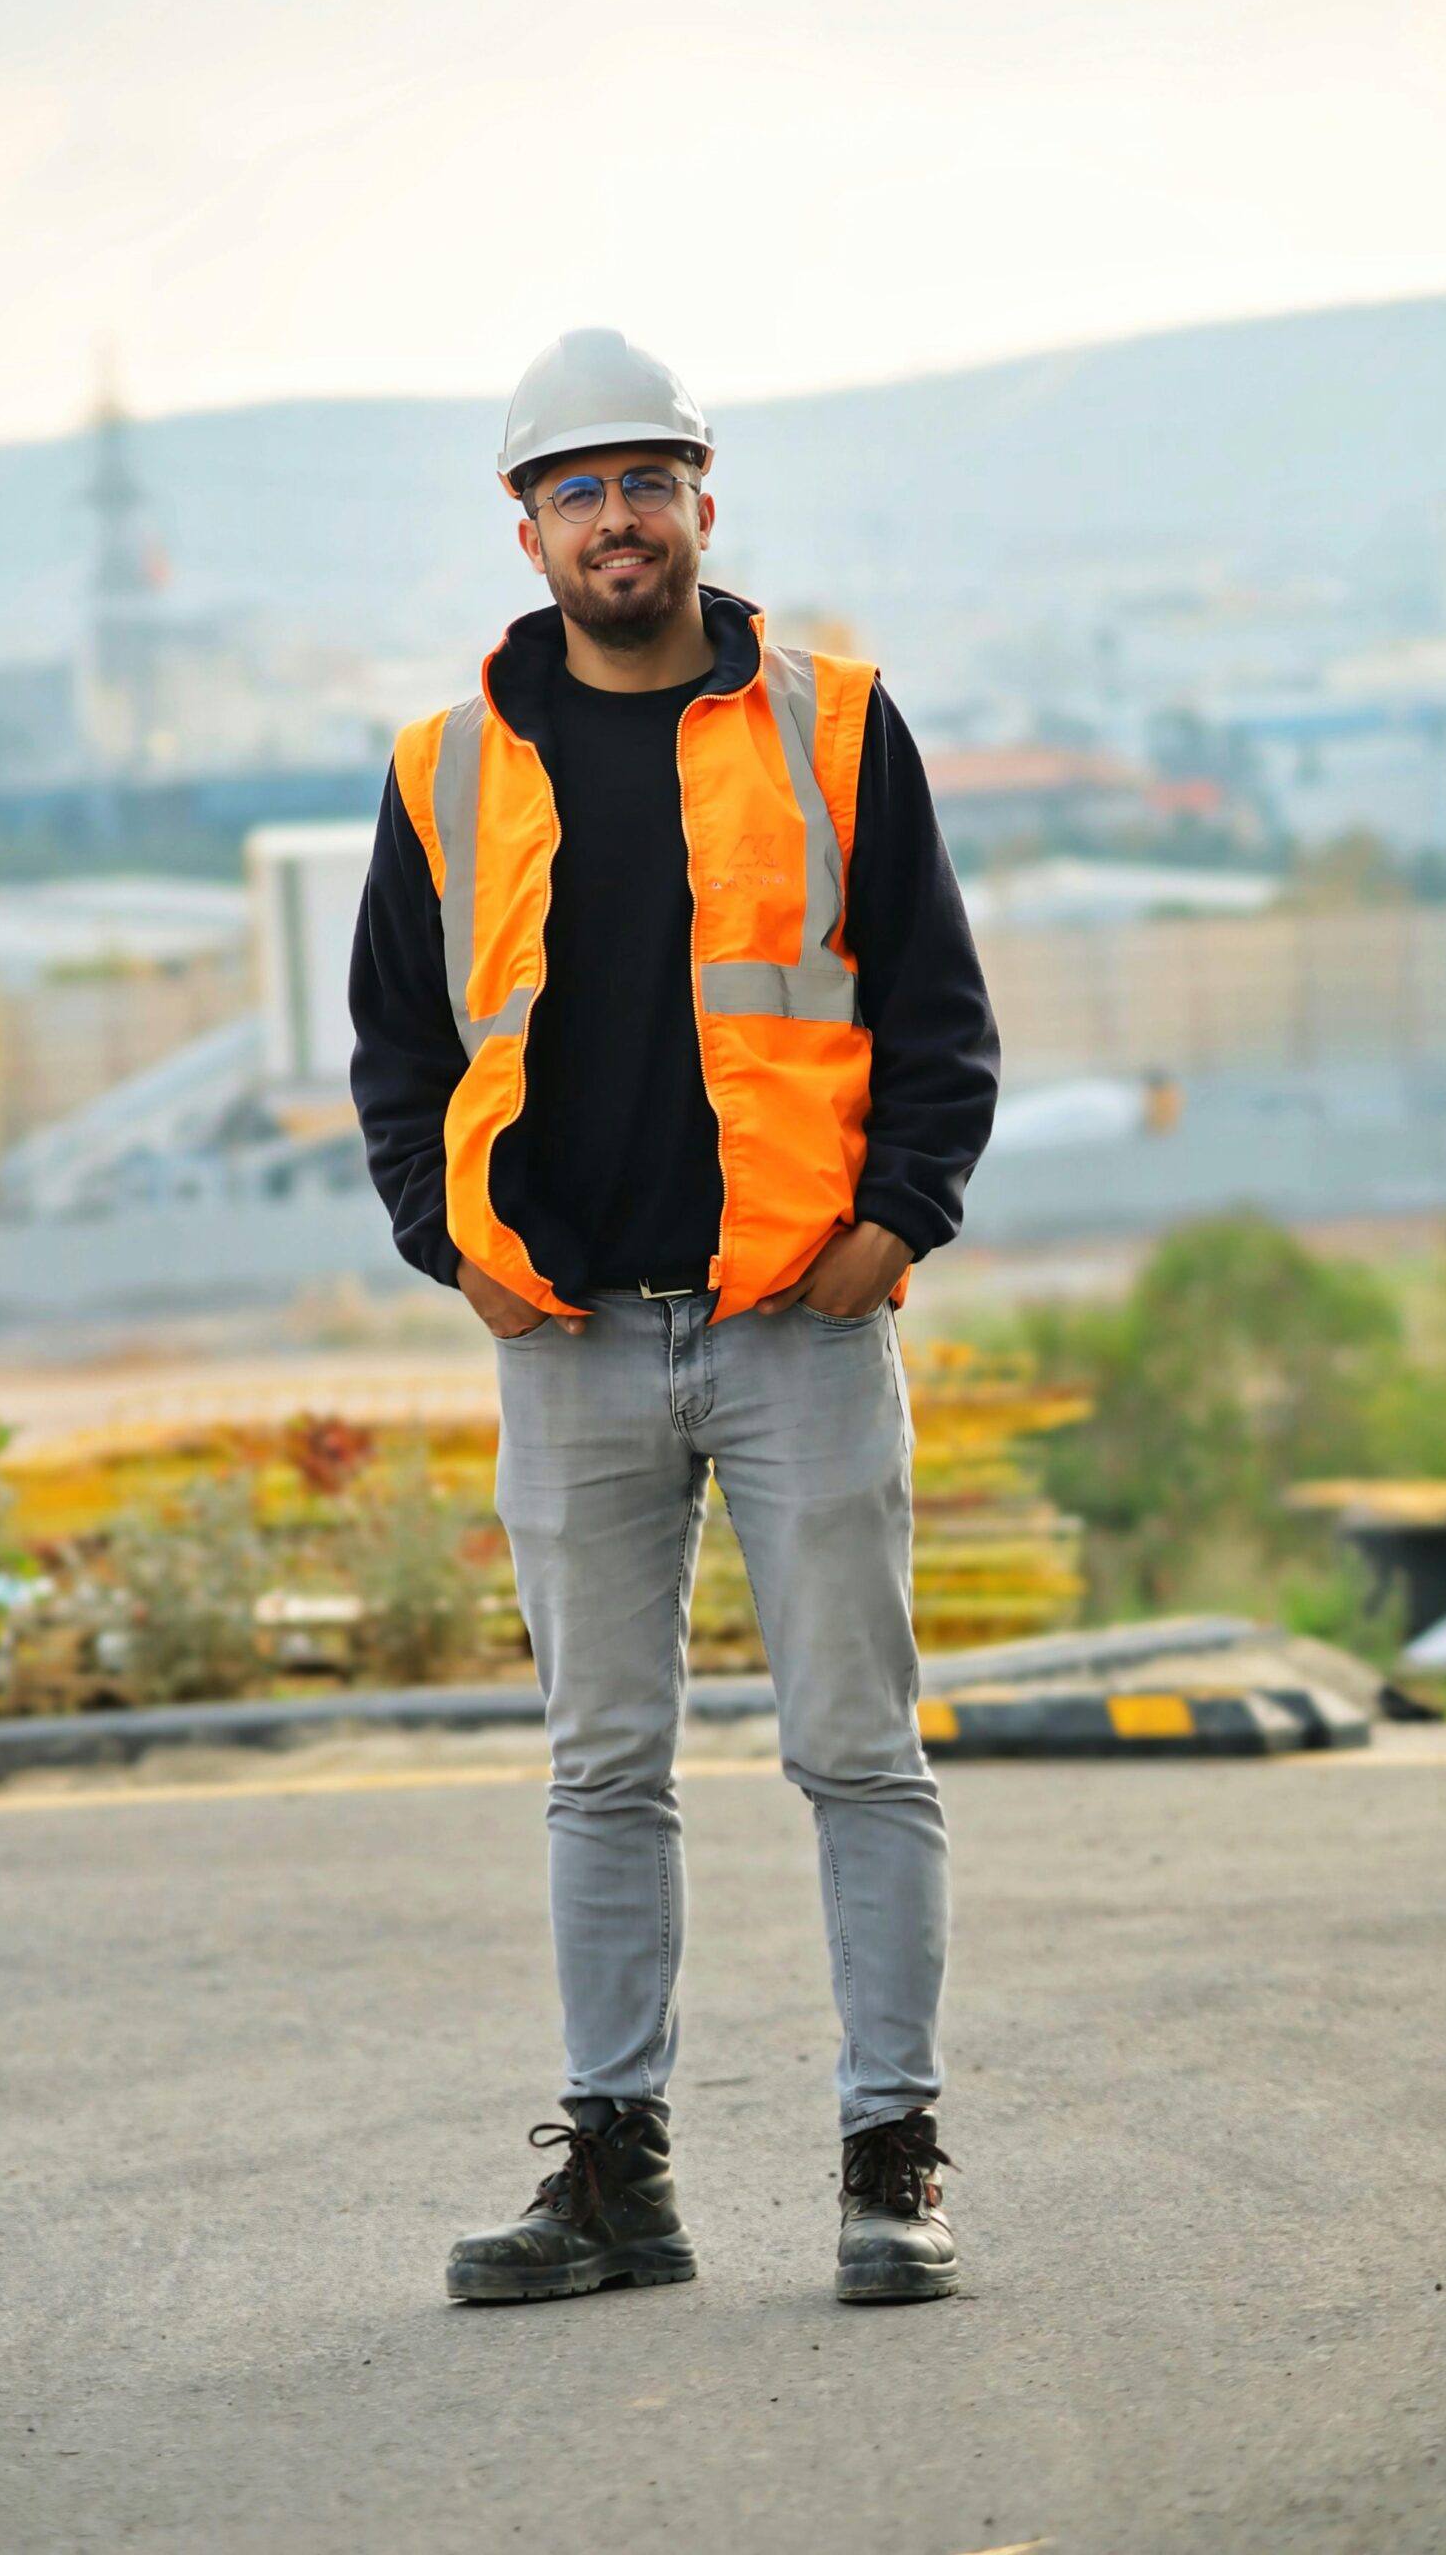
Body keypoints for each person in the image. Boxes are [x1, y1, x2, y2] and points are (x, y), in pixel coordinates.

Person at [348, 327, 1001, 2306]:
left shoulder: (830, 721)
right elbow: (393, 1045)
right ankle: (614, 2176)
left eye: (648, 482)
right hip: (563, 1336)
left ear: (702, 502)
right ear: (525, 522)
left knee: (852, 1746)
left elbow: (937, 1015)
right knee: (596, 1765)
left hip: (796, 1321)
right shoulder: (443, 767)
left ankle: (891, 2154)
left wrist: (892, 1231)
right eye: (579, 488)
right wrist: (440, 1244)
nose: (615, 520)